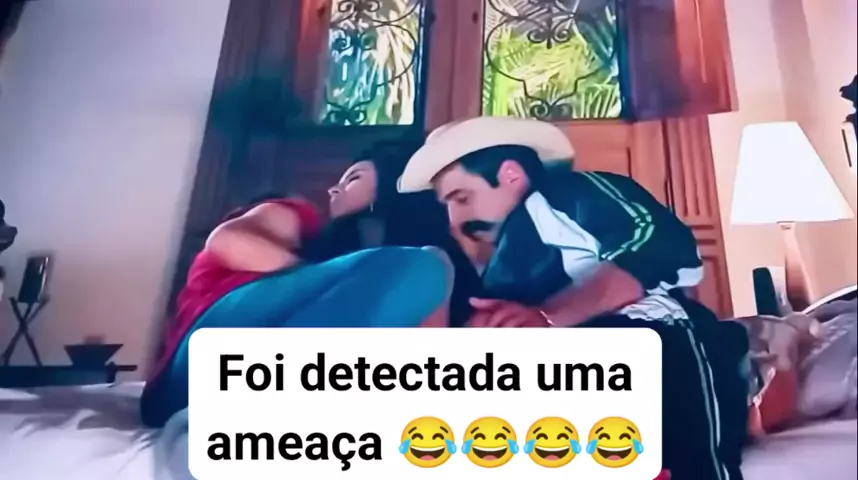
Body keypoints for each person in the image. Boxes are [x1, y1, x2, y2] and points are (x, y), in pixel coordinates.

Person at [397, 117, 750, 480]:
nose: (456, 218)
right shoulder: (497, 263)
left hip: (647, 340)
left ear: (511, 175)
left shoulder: (569, 194)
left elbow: (659, 244)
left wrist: (548, 317)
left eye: (462, 198)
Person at [141, 193, 454, 427]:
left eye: (354, 178)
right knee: (425, 265)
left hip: (205, 388)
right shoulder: (293, 215)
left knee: (429, 267)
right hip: (200, 363)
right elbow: (228, 241)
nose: (334, 190)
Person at [302, 139, 484, 327]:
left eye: (353, 179)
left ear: (389, 185)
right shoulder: (324, 256)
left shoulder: (432, 261)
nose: (333, 190)